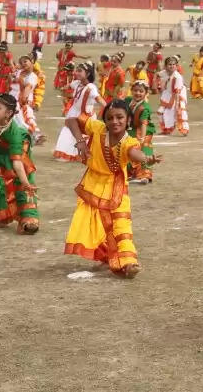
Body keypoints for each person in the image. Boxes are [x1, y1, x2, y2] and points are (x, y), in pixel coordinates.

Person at [63, 98, 157, 278]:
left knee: (121, 224)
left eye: (120, 117)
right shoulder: (98, 129)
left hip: (116, 189)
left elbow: (133, 153)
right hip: (92, 184)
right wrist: (80, 141)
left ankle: (129, 263)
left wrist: (146, 159)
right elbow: (71, 121)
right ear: (105, 120)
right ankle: (111, 256)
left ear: (128, 120)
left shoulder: (128, 142)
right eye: (110, 118)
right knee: (98, 225)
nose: (115, 121)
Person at [0, 93, 39, 234]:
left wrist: (26, 183)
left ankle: (29, 220)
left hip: (18, 158)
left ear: (9, 113)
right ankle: (2, 217)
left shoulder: (15, 133)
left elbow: (17, 164)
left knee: (21, 188)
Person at [53, 62, 103, 160]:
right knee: (68, 132)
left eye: (80, 71)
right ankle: (69, 153)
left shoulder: (91, 87)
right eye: (77, 70)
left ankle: (83, 154)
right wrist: (64, 89)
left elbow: (99, 99)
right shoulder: (77, 83)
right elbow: (68, 87)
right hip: (73, 113)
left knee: (83, 135)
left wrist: (109, 107)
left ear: (88, 74)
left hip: (85, 115)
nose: (76, 73)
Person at [159, 55, 190, 136]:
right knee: (161, 111)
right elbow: (158, 75)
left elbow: (177, 92)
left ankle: (184, 129)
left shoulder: (177, 77)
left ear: (176, 66)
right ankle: (167, 129)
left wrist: (176, 104)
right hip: (169, 92)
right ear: (165, 66)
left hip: (178, 94)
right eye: (169, 64)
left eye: (173, 64)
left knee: (180, 111)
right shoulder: (164, 72)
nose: (172, 66)